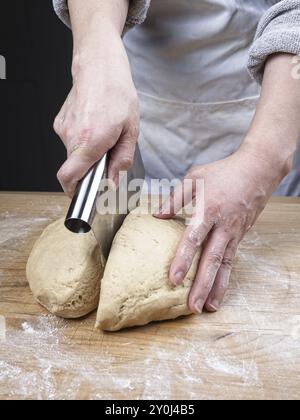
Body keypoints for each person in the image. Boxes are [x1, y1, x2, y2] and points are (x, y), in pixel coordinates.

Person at [52, 0, 300, 315]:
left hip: (269, 106)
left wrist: (264, 156)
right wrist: (95, 60)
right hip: (145, 102)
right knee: (129, 214)